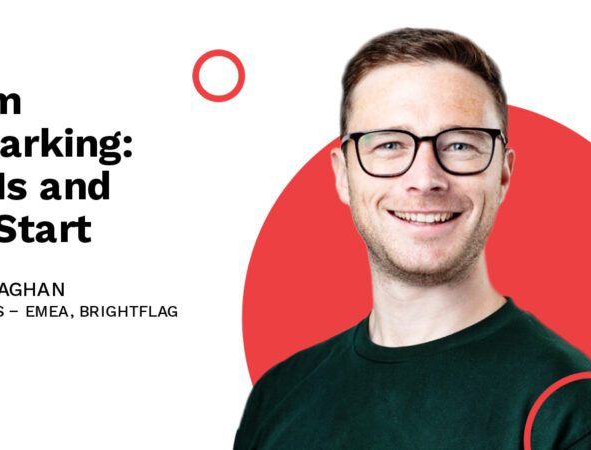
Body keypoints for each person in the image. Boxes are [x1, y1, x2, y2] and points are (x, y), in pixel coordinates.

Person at [234, 28, 591, 449]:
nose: (424, 179)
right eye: (389, 145)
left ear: (503, 173)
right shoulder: (278, 395)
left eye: (460, 145)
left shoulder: (569, 406)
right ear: (343, 175)